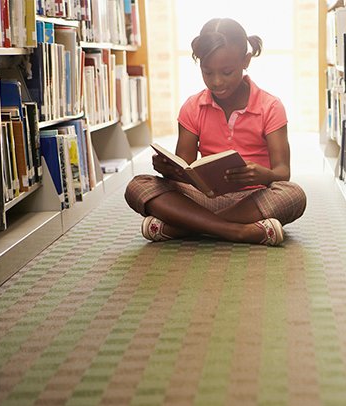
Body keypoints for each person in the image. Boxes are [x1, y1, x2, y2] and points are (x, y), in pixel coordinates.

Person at [125, 18, 306, 246]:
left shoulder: (270, 106)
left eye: (227, 72)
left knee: (293, 194)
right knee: (137, 185)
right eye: (207, 72)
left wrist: (263, 174)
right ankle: (238, 232)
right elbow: (185, 167)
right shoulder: (193, 106)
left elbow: (283, 172)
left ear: (246, 61)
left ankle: (182, 227)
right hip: (202, 198)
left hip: (252, 199)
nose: (217, 82)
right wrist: (168, 169)